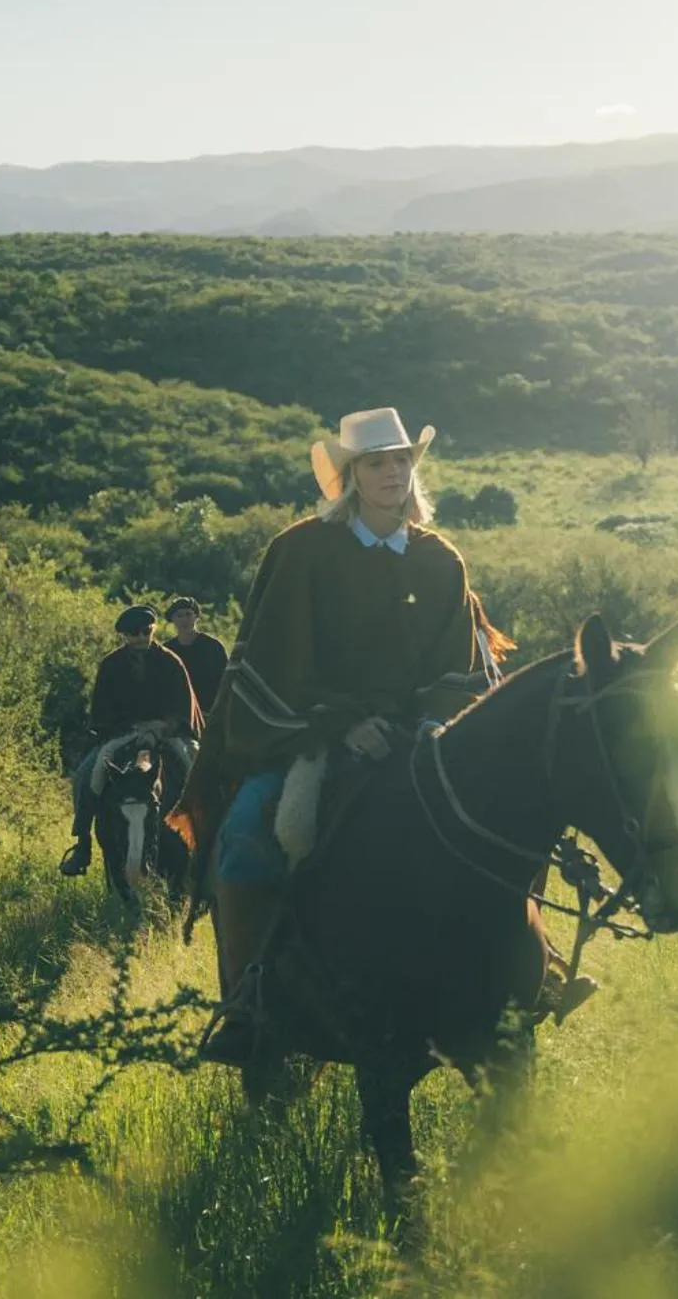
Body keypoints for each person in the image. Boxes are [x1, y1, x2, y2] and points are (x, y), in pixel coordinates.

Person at [176, 407, 494, 1066]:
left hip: (421, 737)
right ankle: (248, 1002)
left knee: (497, 820)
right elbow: (274, 658)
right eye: (376, 462)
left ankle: (526, 970)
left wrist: (430, 725)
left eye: (402, 459)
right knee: (247, 832)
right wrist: (342, 724)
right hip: (313, 735)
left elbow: (460, 665)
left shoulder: (440, 562)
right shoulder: (302, 551)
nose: (392, 472)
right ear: (350, 476)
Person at [62, 605, 201, 875]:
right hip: (125, 733)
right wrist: (132, 728)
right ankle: (83, 843)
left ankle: (210, 842)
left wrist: (161, 727)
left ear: (153, 630)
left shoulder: (171, 662)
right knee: (87, 772)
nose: (139, 639)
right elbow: (103, 710)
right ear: (124, 636)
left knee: (196, 765)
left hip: (168, 733)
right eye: (133, 635)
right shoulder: (111, 665)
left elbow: (183, 705)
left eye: (145, 632)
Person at [163, 596, 229, 720]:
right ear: (173, 619)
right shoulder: (167, 650)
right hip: (179, 714)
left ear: (196, 617)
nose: (184, 620)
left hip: (210, 712)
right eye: (179, 615)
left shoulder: (213, 647)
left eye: (188, 614)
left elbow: (226, 681)